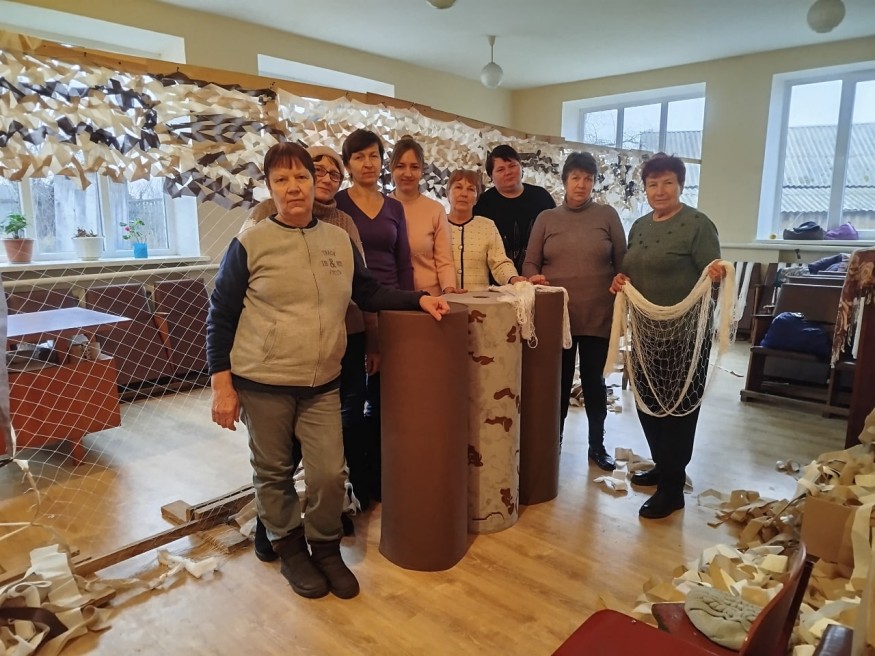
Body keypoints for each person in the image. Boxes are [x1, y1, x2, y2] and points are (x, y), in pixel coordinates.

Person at [207, 142, 449, 600]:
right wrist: (223, 385)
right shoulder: (251, 242)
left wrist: (417, 299)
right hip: (263, 382)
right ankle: (290, 549)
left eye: (300, 176)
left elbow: (369, 291)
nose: (293, 187)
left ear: (314, 182)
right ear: (270, 188)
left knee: (329, 474)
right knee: (274, 472)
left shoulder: (338, 239)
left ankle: (325, 547)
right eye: (281, 180)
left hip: (322, 382)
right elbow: (220, 314)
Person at [241, 145, 373, 558]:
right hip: (276, 361)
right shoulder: (262, 220)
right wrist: (223, 377)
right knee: (280, 453)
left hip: (337, 345)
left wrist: (407, 307)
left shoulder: (342, 226)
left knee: (331, 449)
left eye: (332, 173)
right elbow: (233, 299)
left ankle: (327, 521)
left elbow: (364, 285)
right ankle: (276, 529)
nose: (323, 178)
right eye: (316, 169)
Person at [609, 152, 725, 519]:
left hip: (685, 336)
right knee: (648, 402)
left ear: (680, 185)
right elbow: (632, 268)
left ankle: (673, 489)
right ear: (645, 189)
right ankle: (664, 465)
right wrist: (621, 280)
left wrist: (716, 277)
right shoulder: (640, 227)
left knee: (678, 410)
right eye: (652, 184)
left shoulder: (698, 225)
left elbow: (712, 278)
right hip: (646, 332)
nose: (660, 191)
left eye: (668, 183)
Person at [523, 152, 626, 470]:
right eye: (576, 177)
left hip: (598, 315)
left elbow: (623, 263)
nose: (582, 184)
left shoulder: (607, 215)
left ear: (594, 182)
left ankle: (597, 446)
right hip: (557, 319)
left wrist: (623, 282)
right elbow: (530, 263)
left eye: (588, 178)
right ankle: (553, 444)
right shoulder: (547, 218)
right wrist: (534, 278)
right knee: (557, 385)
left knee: (595, 385)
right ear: (565, 181)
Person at [335, 129, 413, 505]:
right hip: (350, 312)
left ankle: (385, 477)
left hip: (390, 312)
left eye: (374, 156)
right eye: (359, 157)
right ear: (347, 164)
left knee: (386, 400)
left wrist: (410, 308)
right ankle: (359, 483)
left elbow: (403, 265)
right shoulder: (337, 205)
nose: (368, 163)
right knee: (352, 403)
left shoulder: (394, 207)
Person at [446, 169, 546, 291]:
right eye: (458, 187)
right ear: (448, 193)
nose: (464, 194)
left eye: (471, 189)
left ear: (477, 198)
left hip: (478, 300)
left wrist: (513, 278)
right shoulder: (437, 224)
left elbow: (499, 263)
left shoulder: (487, 226)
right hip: (440, 299)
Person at [388, 137, 458, 296]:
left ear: (422, 171)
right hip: (391, 298)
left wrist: (449, 290)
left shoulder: (435, 210)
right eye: (400, 166)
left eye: (414, 167)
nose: (408, 173)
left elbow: (444, 261)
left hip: (431, 297)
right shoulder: (381, 207)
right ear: (391, 169)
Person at [472, 144, 556, 273]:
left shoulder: (541, 197)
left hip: (539, 277)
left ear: (521, 167)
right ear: (491, 176)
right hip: (496, 279)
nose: (508, 172)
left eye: (512, 166)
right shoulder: (483, 204)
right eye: (500, 169)